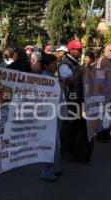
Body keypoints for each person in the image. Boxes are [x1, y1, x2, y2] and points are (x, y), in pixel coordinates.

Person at [59, 40, 93, 163]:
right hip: (70, 100)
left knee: (78, 127)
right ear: (70, 50)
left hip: (79, 99)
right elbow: (69, 82)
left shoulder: (76, 63)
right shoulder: (65, 64)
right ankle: (68, 152)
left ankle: (77, 151)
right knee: (71, 127)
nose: (80, 52)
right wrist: (80, 72)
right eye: (77, 50)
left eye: (80, 50)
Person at [40, 53, 62, 182]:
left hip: (57, 113)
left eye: (56, 63)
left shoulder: (52, 77)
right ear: (46, 65)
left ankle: (55, 168)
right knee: (53, 144)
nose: (56, 65)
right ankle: (47, 172)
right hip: (50, 115)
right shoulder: (44, 78)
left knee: (57, 144)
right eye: (54, 63)